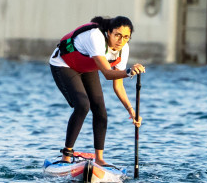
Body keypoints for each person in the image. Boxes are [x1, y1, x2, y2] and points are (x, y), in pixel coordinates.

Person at [49, 16, 144, 166]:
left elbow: (118, 85)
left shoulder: (123, 49)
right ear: (109, 32)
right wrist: (129, 72)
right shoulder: (96, 37)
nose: (121, 40)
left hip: (87, 67)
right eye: (117, 35)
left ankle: (99, 159)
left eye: (126, 37)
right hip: (64, 64)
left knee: (100, 108)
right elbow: (107, 74)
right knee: (83, 105)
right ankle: (66, 156)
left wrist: (131, 110)